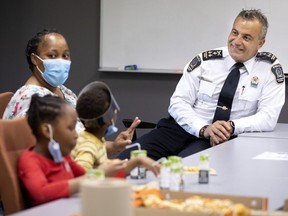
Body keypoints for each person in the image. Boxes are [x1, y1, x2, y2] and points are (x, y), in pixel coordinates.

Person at [118, 9, 285, 160]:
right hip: (181, 128)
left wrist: (231, 127)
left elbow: (268, 117)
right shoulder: (206, 61)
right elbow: (178, 102)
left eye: (246, 37)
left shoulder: (269, 69)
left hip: (221, 137)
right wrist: (204, 128)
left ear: (260, 43)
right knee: (124, 161)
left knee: (185, 172)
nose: (237, 41)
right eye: (235, 32)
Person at [3, 28, 140, 156]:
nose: (61, 61)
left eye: (65, 56)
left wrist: (114, 146)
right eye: (52, 55)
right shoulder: (31, 100)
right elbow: (56, 151)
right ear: (34, 59)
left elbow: (81, 141)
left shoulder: (60, 90)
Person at [71, 81, 160, 177]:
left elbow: (98, 165)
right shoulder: (88, 147)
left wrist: (116, 165)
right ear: (109, 119)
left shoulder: (92, 139)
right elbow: (82, 178)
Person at [18, 94, 86, 207]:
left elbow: (84, 175)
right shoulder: (30, 161)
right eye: (71, 128)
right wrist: (86, 180)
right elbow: (41, 193)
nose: (76, 135)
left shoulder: (63, 155)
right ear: (47, 131)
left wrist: (105, 173)